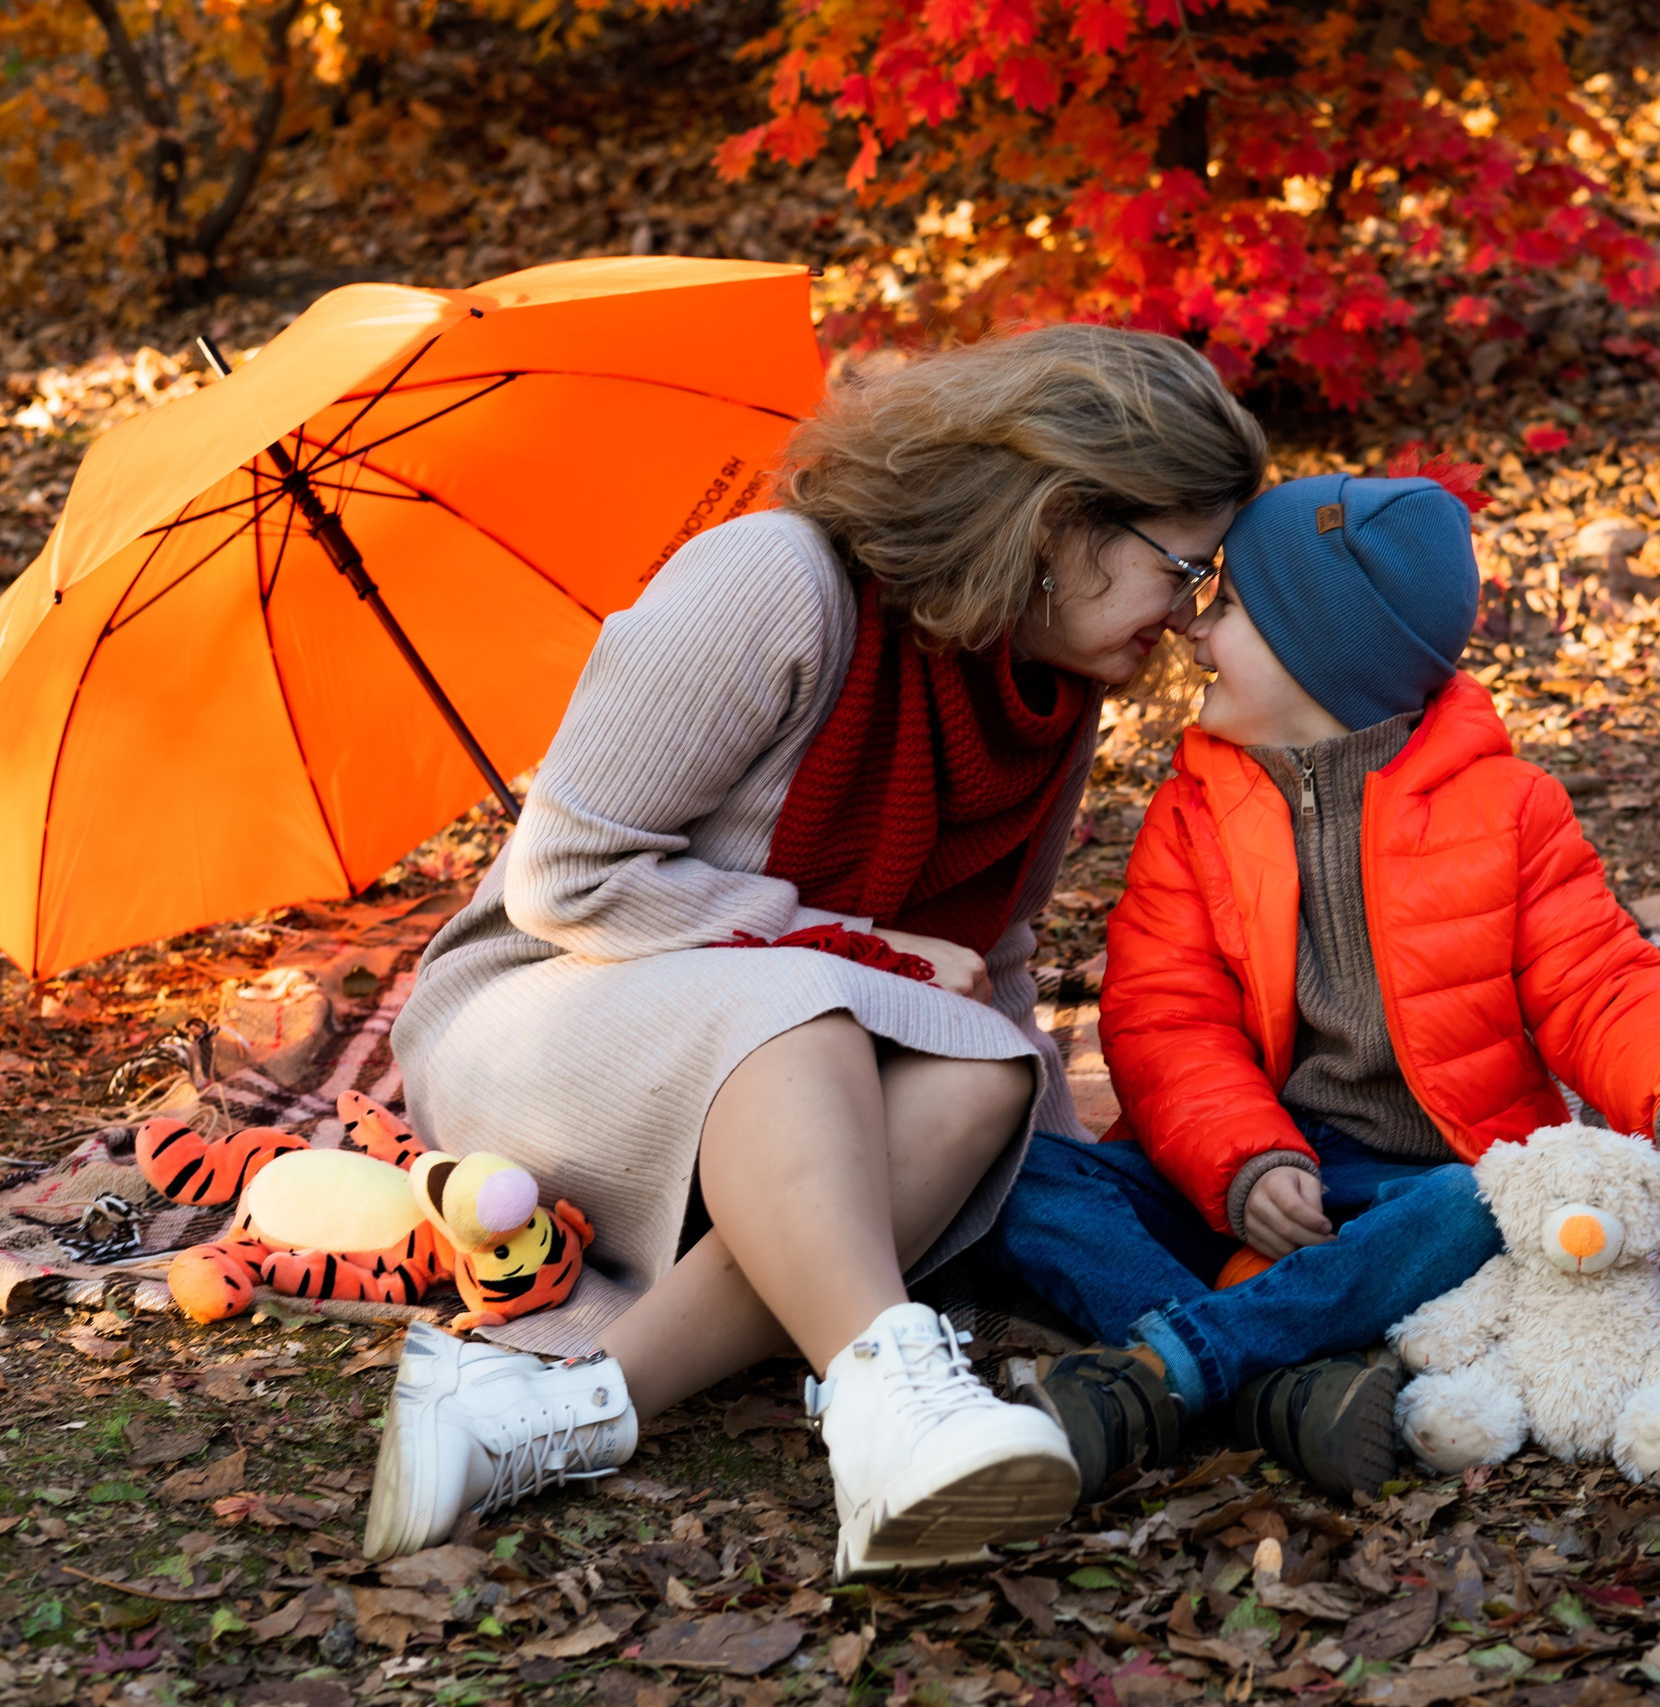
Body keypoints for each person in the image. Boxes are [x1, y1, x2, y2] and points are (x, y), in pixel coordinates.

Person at [362, 325, 1269, 1577]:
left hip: (786, 1067)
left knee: (985, 1068)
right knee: (810, 1007)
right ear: (1060, 521)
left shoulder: (1048, 698)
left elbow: (987, 963)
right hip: (546, 1010)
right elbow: (566, 877)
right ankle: (889, 1397)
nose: (1186, 619)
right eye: (1182, 565)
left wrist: (1058, 1196)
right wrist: (855, 952)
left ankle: (543, 1409)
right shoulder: (773, 580)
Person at [992, 472, 1660, 1501]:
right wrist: (1243, 1161)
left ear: (1319, 650)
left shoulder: (1505, 810)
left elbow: (1596, 980)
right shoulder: (1191, 813)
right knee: (1020, 1180)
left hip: (1427, 1191)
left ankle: (1169, 1371)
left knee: (1490, 1202)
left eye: (1230, 606)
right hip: (1258, 1182)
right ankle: (1275, 1388)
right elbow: (1164, 1023)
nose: (1194, 632)